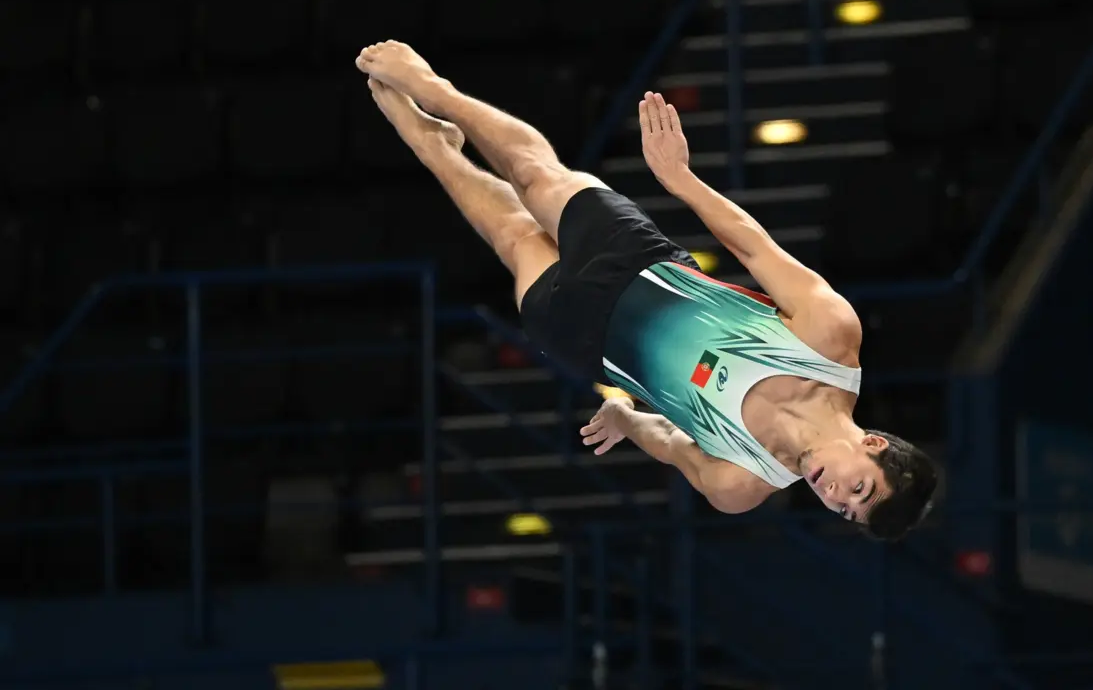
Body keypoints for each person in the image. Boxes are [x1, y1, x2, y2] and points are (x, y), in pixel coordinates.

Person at [355, 41, 938, 540]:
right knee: (536, 174)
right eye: (857, 486)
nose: (834, 493)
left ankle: (430, 143)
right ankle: (436, 90)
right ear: (875, 445)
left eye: (844, 509)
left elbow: (672, 445)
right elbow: (753, 247)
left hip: (588, 337)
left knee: (511, 235)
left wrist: (626, 417)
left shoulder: (741, 483)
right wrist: (679, 180)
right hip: (639, 263)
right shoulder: (831, 340)